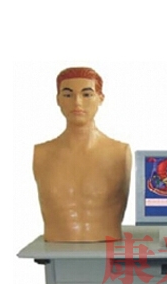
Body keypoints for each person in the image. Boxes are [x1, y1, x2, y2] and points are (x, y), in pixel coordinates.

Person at [33, 67, 131, 242]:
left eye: (87, 94)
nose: (77, 102)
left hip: (107, 246)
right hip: (56, 248)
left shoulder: (120, 153)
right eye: (68, 94)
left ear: (100, 98)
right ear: (58, 99)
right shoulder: (42, 153)